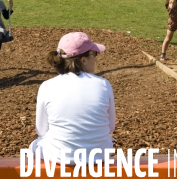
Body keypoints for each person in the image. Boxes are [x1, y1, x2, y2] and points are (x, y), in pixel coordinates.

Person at [29, 32, 115, 165]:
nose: (96, 59)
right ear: (83, 60)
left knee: (34, 145)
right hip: (99, 155)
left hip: (61, 157)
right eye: (94, 54)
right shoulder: (103, 84)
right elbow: (110, 127)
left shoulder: (47, 86)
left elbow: (41, 130)